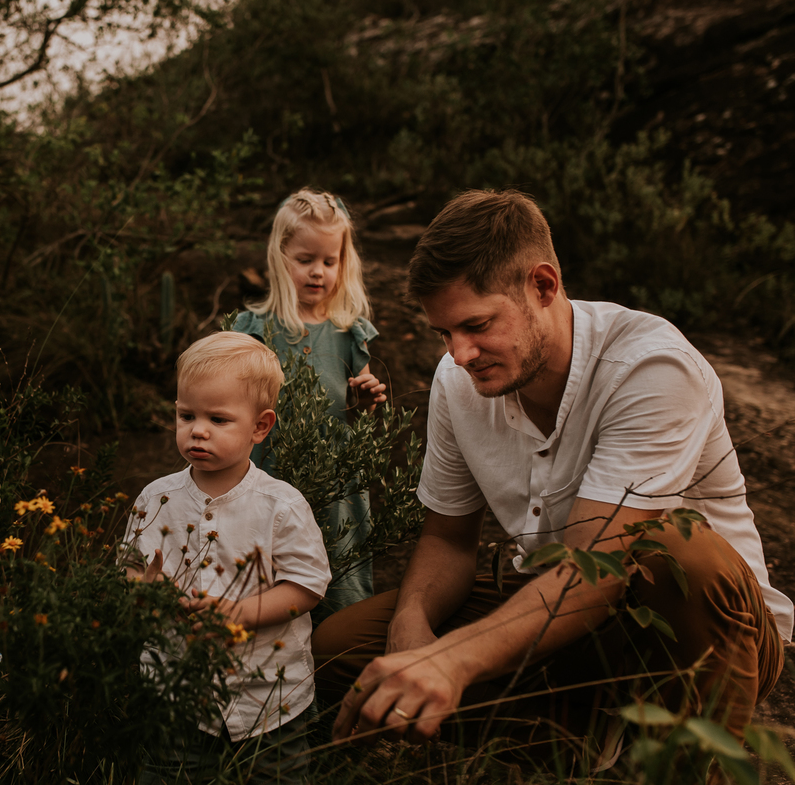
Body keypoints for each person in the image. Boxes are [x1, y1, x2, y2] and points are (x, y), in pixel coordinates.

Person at [316, 189, 791, 760]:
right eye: (445, 333)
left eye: (477, 325)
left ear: (543, 286)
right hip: (561, 613)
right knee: (343, 647)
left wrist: (452, 658)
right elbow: (447, 537)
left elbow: (602, 571)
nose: (460, 353)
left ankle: (682, 758)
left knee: (671, 552)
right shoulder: (457, 379)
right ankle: (571, 744)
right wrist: (411, 630)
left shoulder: (651, 366)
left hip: (701, 628)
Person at [125, 331, 331, 783]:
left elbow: (307, 585)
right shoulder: (156, 497)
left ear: (260, 426)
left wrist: (237, 613)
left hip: (268, 697)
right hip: (175, 690)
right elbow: (132, 568)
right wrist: (150, 590)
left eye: (218, 419)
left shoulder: (281, 505)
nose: (197, 430)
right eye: (186, 415)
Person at [233, 188, 386, 617]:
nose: (318, 272)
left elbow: (353, 416)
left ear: (343, 262)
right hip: (269, 473)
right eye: (305, 260)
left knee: (337, 584)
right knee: (266, 581)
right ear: (280, 258)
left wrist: (363, 401)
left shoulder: (348, 332)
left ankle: (336, 666)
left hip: (333, 485)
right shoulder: (255, 329)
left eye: (329, 261)